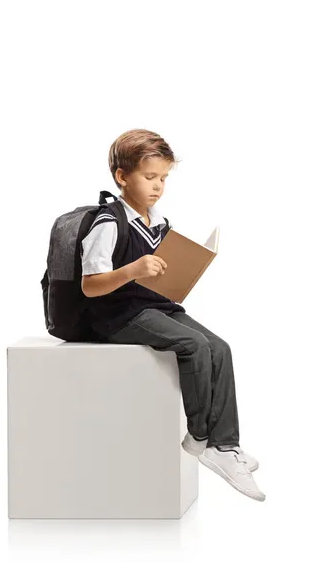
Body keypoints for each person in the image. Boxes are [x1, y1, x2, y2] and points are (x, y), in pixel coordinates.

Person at [80, 128, 265, 502]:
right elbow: (90, 285)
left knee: (220, 347)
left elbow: (162, 273)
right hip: (118, 315)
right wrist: (134, 270)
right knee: (193, 344)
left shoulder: (159, 221)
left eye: (163, 178)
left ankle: (225, 444)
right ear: (121, 176)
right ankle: (200, 438)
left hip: (156, 305)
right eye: (150, 177)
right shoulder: (108, 222)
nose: (158, 186)